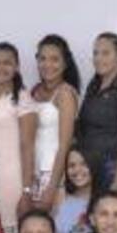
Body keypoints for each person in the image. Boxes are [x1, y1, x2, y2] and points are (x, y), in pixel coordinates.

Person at [0, 42, 37, 233]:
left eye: (7, 63)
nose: (0, 68)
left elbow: (28, 146)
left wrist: (27, 191)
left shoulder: (22, 98)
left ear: (17, 66)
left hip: (12, 181)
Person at [77, 32, 117, 200]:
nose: (98, 58)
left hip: (116, 169)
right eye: (95, 53)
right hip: (94, 168)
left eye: (105, 53)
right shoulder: (94, 86)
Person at [29, 34, 80, 209]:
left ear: (65, 63)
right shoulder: (34, 91)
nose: (47, 64)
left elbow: (64, 145)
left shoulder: (65, 94)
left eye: (54, 59)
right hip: (33, 174)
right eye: (42, 59)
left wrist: (51, 187)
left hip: (54, 177)